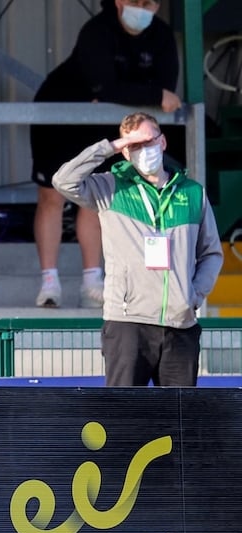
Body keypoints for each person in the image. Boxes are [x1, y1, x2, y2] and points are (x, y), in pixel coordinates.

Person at [52, 112, 223, 387]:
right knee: (124, 421)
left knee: (177, 423)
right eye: (135, 145)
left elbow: (211, 253)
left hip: (180, 325)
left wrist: (193, 295)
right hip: (127, 324)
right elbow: (64, 180)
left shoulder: (192, 193)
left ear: (163, 142)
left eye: (149, 141)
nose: (144, 150)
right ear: (125, 152)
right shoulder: (109, 187)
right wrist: (112, 145)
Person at [30, 0, 181, 309]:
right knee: (52, 197)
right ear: (118, 1)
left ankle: (91, 281)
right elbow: (105, 85)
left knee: (96, 198)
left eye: (148, 3)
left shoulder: (162, 36)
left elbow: (168, 94)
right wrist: (148, 94)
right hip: (58, 118)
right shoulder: (97, 30)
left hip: (104, 126)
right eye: (135, 1)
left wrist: (124, 95)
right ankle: (49, 282)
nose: (141, 8)